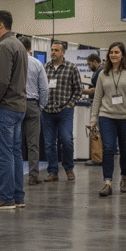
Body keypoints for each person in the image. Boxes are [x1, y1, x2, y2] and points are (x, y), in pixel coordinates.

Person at [0, 10, 27, 209]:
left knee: (4, 154)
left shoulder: (3, 46)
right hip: (18, 107)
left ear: (0, 26)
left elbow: (1, 81)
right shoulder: (18, 44)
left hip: (4, 108)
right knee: (15, 153)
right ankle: (17, 196)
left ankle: (6, 197)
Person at [90, 42, 126, 196]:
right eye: (111, 52)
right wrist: (94, 118)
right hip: (107, 116)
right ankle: (107, 182)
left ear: (123, 54)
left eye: (117, 52)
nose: (113, 55)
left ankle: (124, 177)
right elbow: (97, 97)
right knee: (109, 148)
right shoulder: (103, 73)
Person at [41, 41, 83, 182]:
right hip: (47, 111)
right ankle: (53, 172)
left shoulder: (71, 68)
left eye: (56, 50)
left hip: (65, 111)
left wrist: (70, 105)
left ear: (63, 52)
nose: (53, 52)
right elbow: (39, 88)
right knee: (49, 143)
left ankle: (69, 169)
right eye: (52, 50)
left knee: (66, 140)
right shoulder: (44, 68)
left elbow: (78, 89)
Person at [21, 36, 49, 185]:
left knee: (14, 143)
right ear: (30, 48)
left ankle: (15, 175)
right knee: (33, 144)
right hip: (32, 105)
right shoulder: (37, 63)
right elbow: (44, 88)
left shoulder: (12, 62)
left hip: (14, 104)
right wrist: (40, 107)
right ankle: (33, 176)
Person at [83, 53, 103, 166]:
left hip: (98, 105)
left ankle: (97, 158)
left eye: (89, 64)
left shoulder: (100, 71)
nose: (88, 66)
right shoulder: (100, 71)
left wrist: (87, 91)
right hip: (100, 104)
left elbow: (99, 89)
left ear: (95, 62)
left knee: (95, 129)